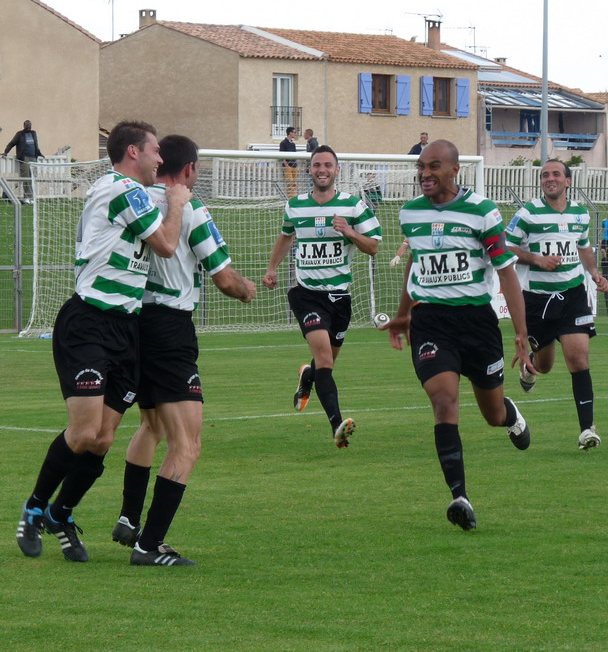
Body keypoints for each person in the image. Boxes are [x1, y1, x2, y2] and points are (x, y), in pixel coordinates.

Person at [15, 120, 190, 563]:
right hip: (90, 321)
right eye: (154, 151)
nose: (159, 159)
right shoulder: (120, 189)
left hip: (125, 329)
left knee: (104, 438)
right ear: (133, 152)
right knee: (84, 431)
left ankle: (62, 512)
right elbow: (167, 244)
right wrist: (177, 201)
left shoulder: (129, 194)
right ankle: (35, 506)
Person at [112, 135, 256, 566]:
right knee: (188, 444)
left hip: (135, 323)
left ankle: (128, 517)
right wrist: (249, 290)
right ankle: (149, 544)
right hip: (170, 329)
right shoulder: (188, 208)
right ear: (190, 169)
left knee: (151, 427)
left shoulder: (137, 200)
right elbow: (225, 279)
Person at [387, 139, 536, 531]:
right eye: (421, 167)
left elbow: (506, 273)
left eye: (434, 166)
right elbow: (416, 264)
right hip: (431, 322)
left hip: (477, 323)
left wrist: (521, 334)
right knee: (443, 400)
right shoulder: (410, 214)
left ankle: (511, 415)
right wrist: (404, 314)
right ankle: (460, 496)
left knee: (492, 413)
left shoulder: (483, 213)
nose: (424, 174)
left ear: (455, 170)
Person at [262, 145, 381, 447]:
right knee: (325, 358)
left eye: (328, 165)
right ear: (310, 170)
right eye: (317, 165)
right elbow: (286, 236)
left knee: (325, 363)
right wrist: (272, 267)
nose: (322, 170)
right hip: (307, 296)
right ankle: (337, 426)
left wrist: (350, 233)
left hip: (340, 298)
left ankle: (307, 376)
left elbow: (373, 247)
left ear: (337, 170)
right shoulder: (295, 206)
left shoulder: (354, 207)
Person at [506, 159, 608, 450]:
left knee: (578, 359)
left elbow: (583, 247)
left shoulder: (580, 213)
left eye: (555, 174)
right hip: (537, 299)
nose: (549, 179)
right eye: (544, 175)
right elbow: (505, 245)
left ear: (567, 181)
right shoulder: (528, 213)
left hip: (573, 294)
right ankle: (529, 371)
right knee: (546, 365)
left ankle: (587, 429)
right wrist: (536, 259)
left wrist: (593, 273)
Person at [3, 119, 43, 202]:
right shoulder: (20, 134)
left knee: (33, 177)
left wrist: (39, 153)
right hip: (25, 158)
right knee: (26, 177)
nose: (28, 126)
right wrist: (6, 152)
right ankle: (28, 197)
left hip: (33, 157)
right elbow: (12, 143)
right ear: (24, 126)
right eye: (27, 125)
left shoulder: (33, 133)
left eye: (29, 125)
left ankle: (32, 197)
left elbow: (36, 144)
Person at [279, 126, 299, 198]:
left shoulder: (293, 144)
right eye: (294, 132)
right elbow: (282, 155)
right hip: (288, 167)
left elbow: (295, 154)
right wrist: (286, 165)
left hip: (294, 166)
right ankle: (290, 198)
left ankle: (294, 197)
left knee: (294, 183)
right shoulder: (283, 143)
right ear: (290, 133)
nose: (295, 134)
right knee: (290, 183)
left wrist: (296, 165)